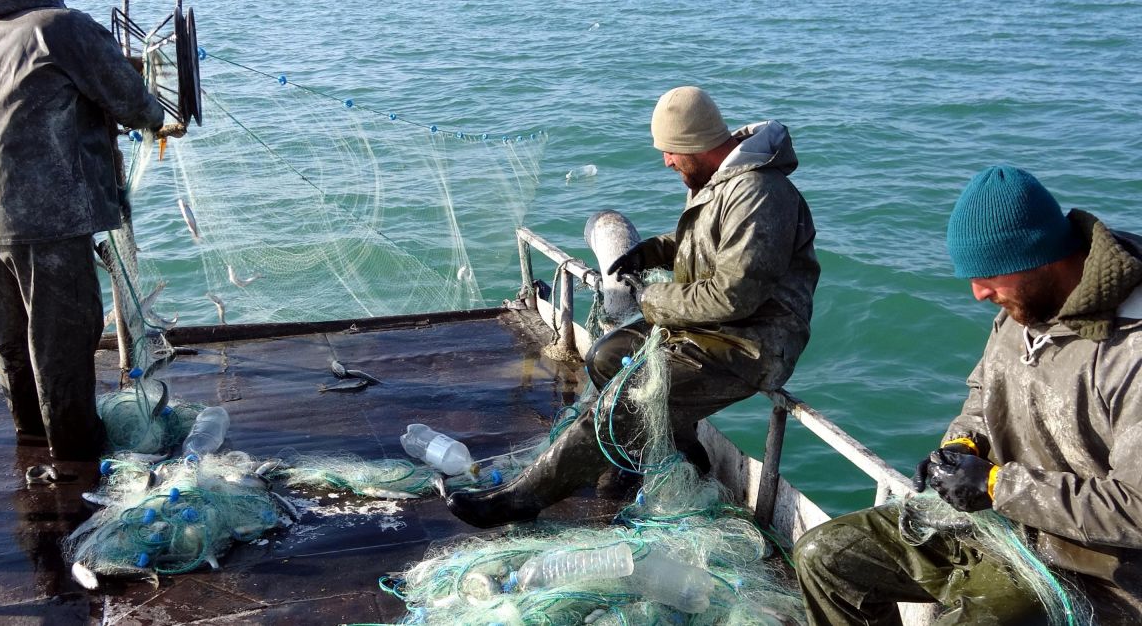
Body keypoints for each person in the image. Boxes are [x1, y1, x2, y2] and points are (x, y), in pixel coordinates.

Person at [447, 86, 819, 528]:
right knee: (604, 356)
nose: (666, 162)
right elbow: (701, 241)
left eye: (670, 153)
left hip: (750, 343)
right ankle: (674, 456)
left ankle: (519, 499)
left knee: (624, 400)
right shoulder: (721, 178)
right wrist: (648, 252)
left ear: (693, 145)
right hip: (704, 326)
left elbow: (733, 296)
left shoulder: (760, 193)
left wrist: (650, 298)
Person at [793, 165, 1142, 624]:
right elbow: (983, 394)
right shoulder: (1024, 306)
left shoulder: (1131, 349)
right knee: (824, 555)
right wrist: (963, 444)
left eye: (989, 276)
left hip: (1096, 578)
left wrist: (997, 485)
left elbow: (1135, 509)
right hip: (1002, 529)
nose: (978, 293)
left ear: (1041, 258)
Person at [0, 0, 167, 462]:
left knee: (11, 341)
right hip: (48, 216)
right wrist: (156, 116)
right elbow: (131, 101)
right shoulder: (61, 26)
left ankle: (30, 439)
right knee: (63, 340)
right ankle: (75, 457)